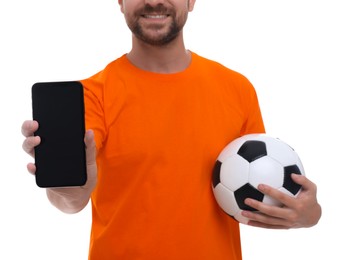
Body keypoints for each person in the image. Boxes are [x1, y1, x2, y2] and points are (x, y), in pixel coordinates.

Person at [21, 0, 322, 259]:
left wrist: (308, 215)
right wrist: (70, 192)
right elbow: (69, 200)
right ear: (120, 1)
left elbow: (259, 193)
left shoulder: (237, 89)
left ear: (192, 0)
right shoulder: (90, 97)